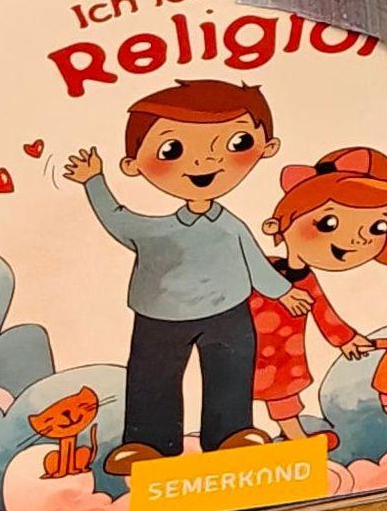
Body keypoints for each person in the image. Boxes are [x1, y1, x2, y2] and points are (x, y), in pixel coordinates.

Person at [66, 79, 302, 472]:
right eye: (171, 150)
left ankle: (230, 435)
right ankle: (148, 443)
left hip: (228, 310)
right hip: (160, 316)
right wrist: (94, 181)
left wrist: (281, 291)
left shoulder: (229, 225)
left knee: (230, 372)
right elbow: (118, 220)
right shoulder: (155, 231)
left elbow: (254, 258)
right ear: (133, 165)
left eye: (237, 143)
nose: (204, 162)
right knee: (152, 377)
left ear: (266, 147)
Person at [251, 145, 387, 440]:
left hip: (283, 353)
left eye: (377, 227)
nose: (356, 239)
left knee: (283, 394)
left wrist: (347, 340)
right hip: (239, 345)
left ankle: (295, 438)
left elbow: (323, 312)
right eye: (328, 223)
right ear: (277, 226)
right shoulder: (261, 267)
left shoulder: (306, 280)